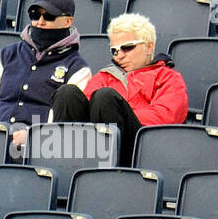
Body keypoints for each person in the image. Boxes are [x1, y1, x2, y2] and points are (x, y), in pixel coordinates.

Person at [50, 12, 188, 167]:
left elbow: (165, 118)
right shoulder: (104, 77)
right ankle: (64, 165)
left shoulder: (168, 77)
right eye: (114, 50)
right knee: (67, 93)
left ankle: (107, 167)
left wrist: (122, 112)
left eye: (127, 48)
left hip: (140, 148)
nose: (119, 55)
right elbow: (83, 110)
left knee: (106, 98)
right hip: (93, 145)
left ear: (149, 47)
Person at [0, 0, 93, 148]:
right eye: (35, 15)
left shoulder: (78, 68)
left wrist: (32, 137)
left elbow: (63, 121)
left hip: (39, 148)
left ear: (68, 21)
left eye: (49, 16)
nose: (40, 21)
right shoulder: (6, 54)